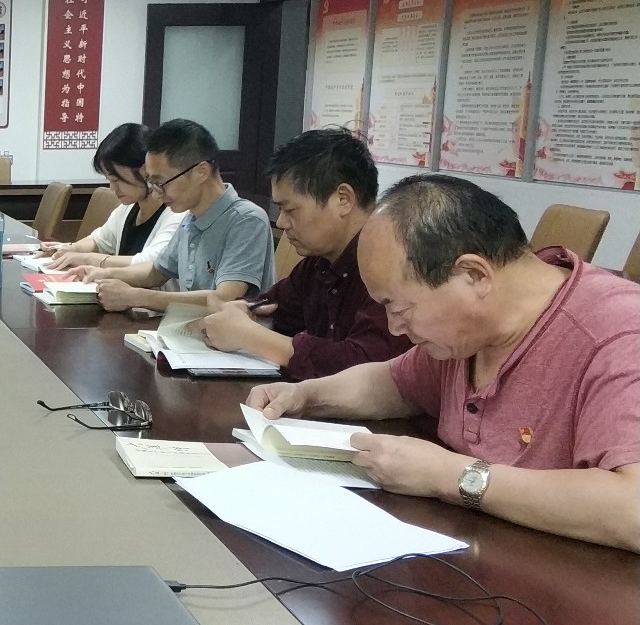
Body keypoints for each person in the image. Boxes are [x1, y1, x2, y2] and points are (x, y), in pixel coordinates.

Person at [249, 174, 639, 552]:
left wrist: (448, 475)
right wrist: (308, 396)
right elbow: (395, 383)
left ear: (473, 275)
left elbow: (632, 509)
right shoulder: (469, 335)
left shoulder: (617, 333)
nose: (394, 328)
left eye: (399, 308)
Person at [197, 127, 410, 379]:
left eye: (290, 210)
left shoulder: (390, 264)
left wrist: (249, 335)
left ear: (343, 199)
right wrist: (243, 311)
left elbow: (366, 366)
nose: (281, 222)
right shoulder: (319, 263)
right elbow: (273, 307)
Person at [76, 119, 275, 311]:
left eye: (161, 183)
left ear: (201, 172)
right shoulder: (191, 218)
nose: (156, 193)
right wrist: (103, 273)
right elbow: (156, 272)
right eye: (152, 183)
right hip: (188, 330)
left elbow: (224, 298)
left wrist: (135, 296)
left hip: (227, 334)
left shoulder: (246, 220)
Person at [40, 123, 185, 273]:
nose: (112, 188)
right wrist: (68, 249)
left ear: (145, 170)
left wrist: (88, 259)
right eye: (109, 179)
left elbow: (151, 262)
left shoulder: (176, 213)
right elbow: (99, 240)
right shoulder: (128, 209)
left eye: (116, 179)